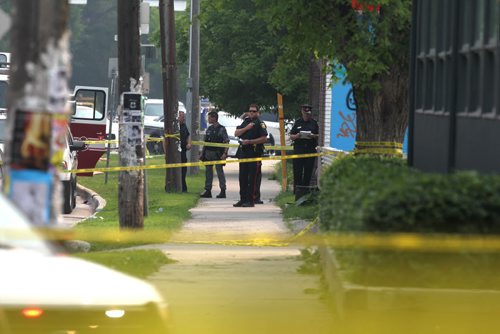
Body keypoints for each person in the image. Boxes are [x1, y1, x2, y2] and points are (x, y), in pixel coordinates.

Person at [233, 104, 267, 207]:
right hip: (243, 152)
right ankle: (242, 199)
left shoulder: (260, 123)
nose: (252, 113)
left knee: (251, 178)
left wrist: (251, 141)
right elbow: (236, 133)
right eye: (250, 111)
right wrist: (246, 128)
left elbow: (264, 138)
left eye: (254, 111)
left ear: (257, 112)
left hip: (254, 152)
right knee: (242, 177)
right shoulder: (246, 122)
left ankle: (251, 200)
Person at [289, 104, 319, 200]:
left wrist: (313, 136)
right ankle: (297, 193)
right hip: (299, 150)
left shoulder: (314, 123)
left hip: (310, 150)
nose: (306, 114)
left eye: (308, 113)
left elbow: (319, 135)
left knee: (308, 172)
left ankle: (305, 193)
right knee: (297, 172)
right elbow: (291, 136)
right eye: (305, 113)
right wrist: (297, 136)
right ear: (302, 112)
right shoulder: (297, 122)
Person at [200, 111, 229, 198]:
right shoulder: (209, 129)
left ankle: (223, 191)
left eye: (209, 118)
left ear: (214, 118)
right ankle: (208, 191)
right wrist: (202, 154)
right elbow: (206, 143)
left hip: (218, 154)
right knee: (208, 172)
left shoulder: (221, 129)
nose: (208, 119)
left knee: (219, 172)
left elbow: (226, 142)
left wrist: (225, 153)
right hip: (208, 153)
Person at [178, 111, 192, 192]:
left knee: (183, 170)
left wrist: (189, 143)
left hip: (183, 151)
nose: (184, 118)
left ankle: (183, 188)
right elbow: (165, 139)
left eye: (184, 117)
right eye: (182, 117)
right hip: (175, 153)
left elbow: (188, 135)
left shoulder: (184, 126)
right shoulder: (173, 127)